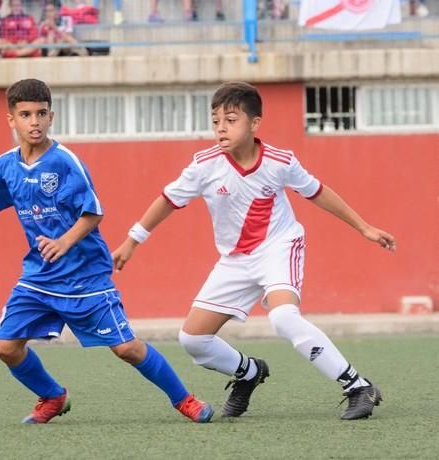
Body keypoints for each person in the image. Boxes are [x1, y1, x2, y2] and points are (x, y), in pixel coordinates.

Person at [0, 78, 213, 425]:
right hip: (39, 276)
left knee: (126, 348)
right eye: (25, 114)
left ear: (51, 116)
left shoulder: (65, 162)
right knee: (6, 347)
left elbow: (94, 212)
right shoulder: (6, 166)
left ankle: (184, 400)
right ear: (11, 120)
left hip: (85, 275)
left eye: (40, 114)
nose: (33, 121)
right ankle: (53, 396)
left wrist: (65, 242)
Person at [112, 81, 395, 421]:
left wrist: (364, 227)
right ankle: (248, 372)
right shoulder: (204, 166)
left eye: (230, 119)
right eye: (215, 120)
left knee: (283, 317)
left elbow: (318, 192)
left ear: (255, 124)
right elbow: (167, 201)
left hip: (279, 247)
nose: (220, 127)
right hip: (235, 260)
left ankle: (357, 386)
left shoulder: (279, 161)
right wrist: (132, 240)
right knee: (192, 339)